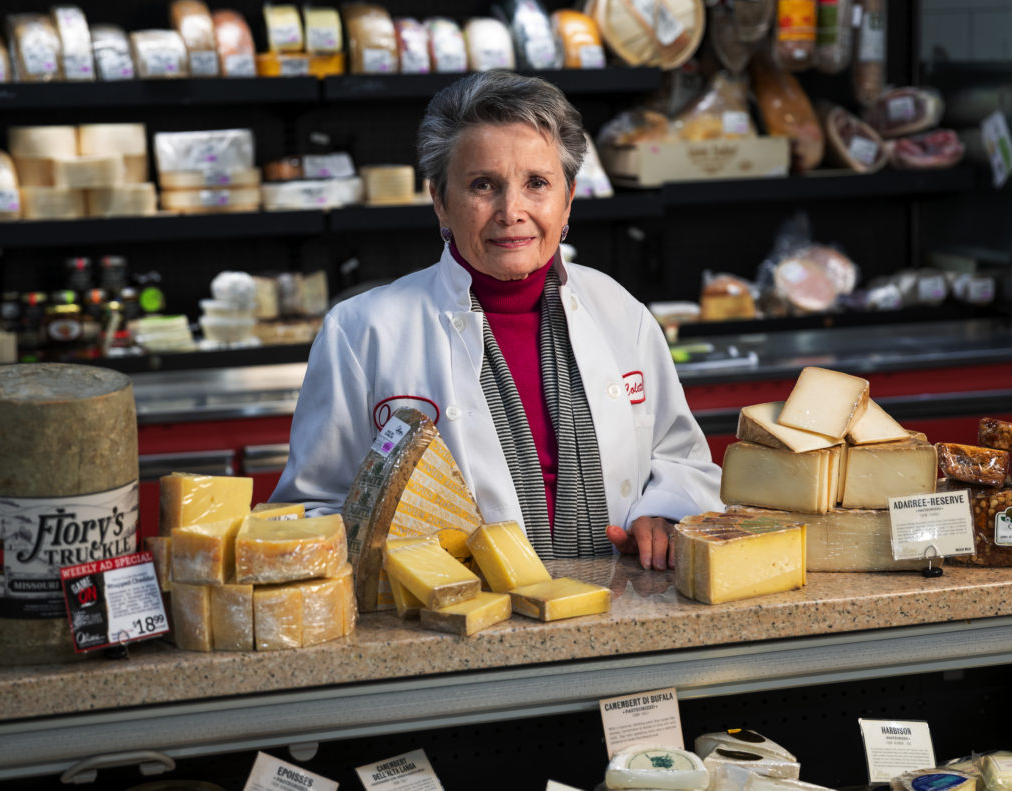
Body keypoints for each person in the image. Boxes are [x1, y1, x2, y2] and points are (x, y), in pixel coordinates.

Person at [271, 70, 722, 570]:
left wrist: (664, 511)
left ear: (568, 198)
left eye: (537, 184)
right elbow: (311, 509)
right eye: (483, 185)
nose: (512, 211)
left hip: (617, 608)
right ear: (440, 201)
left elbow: (681, 458)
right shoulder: (361, 333)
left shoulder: (621, 312)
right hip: (449, 627)